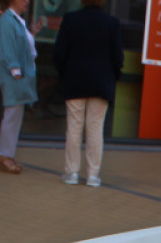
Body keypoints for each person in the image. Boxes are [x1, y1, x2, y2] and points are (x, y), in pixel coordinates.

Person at [53, 0, 124, 187]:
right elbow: (118, 57)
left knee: (74, 127)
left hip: (75, 80)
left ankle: (72, 173)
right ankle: (93, 175)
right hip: (102, 83)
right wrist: (112, 76)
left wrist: (64, 73)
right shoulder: (112, 22)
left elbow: (59, 53)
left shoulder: (71, 19)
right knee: (95, 128)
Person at [0, 0, 40, 174]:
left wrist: (32, 34)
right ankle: (4, 156)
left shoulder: (17, 21)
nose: (27, 1)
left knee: (15, 115)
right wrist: (14, 69)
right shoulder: (7, 21)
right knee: (12, 115)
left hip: (18, 75)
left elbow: (22, 46)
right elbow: (7, 48)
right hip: (14, 75)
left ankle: (8, 155)